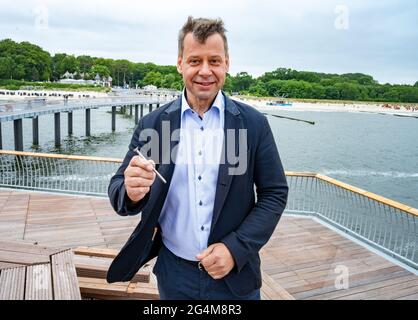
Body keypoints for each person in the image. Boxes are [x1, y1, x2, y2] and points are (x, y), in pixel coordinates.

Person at [107, 16, 288, 300]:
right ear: (180, 63)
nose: (205, 71)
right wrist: (130, 191)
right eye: (195, 61)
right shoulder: (155, 125)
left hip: (236, 275)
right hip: (174, 275)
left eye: (214, 61)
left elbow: (274, 193)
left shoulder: (253, 124)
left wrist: (235, 248)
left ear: (227, 63)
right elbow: (119, 192)